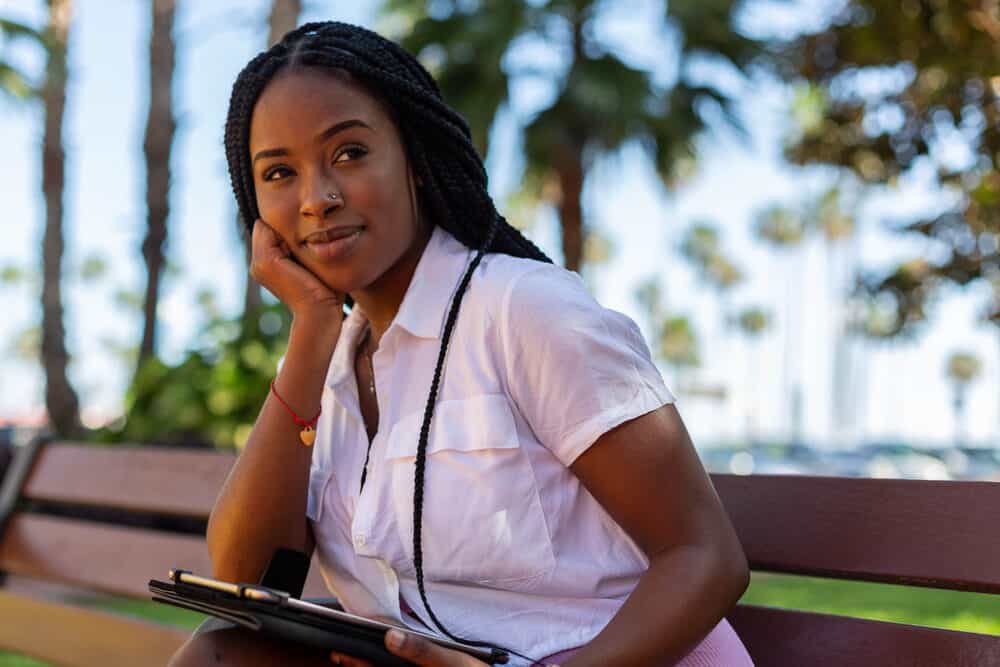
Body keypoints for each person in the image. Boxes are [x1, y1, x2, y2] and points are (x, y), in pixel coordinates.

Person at [169, 21, 754, 667]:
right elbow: (248, 572)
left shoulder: (525, 312)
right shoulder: (337, 362)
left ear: (415, 161)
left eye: (349, 153)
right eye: (279, 172)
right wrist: (311, 328)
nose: (318, 198)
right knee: (222, 654)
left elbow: (706, 557)